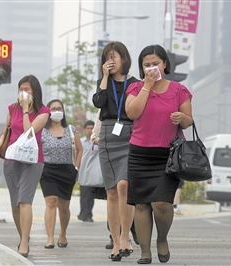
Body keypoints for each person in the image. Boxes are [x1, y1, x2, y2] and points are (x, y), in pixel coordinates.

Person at [125, 44, 193, 264]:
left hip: (168, 155)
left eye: (155, 63)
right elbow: (132, 113)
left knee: (161, 204)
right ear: (141, 67)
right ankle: (145, 252)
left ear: (165, 64)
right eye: (147, 64)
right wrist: (147, 85)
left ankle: (162, 239)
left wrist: (181, 119)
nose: (152, 67)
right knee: (142, 204)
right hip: (140, 154)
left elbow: (189, 120)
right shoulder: (135, 88)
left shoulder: (179, 90)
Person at [0, 75, 50, 258]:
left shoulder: (43, 111)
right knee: (15, 202)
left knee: (25, 200)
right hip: (12, 158)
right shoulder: (11, 108)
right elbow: (6, 131)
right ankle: (24, 236)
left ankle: (24, 243)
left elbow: (28, 132)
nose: (23, 93)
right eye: (21, 89)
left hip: (32, 160)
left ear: (35, 92)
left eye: (27, 89)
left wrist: (25, 110)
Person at [92, 41, 139, 261]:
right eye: (107, 57)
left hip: (130, 133)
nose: (111, 61)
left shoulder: (135, 84)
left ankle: (125, 237)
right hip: (108, 134)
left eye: (114, 56)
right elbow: (98, 102)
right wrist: (104, 77)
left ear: (124, 58)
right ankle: (115, 240)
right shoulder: (104, 83)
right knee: (111, 191)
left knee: (124, 185)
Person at [40, 99, 83, 250]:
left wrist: (76, 168)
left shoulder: (71, 130)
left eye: (59, 108)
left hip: (67, 170)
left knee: (64, 207)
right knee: (51, 202)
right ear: (48, 111)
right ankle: (50, 238)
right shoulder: (42, 131)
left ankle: (62, 233)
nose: (56, 111)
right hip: (48, 170)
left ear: (63, 111)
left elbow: (80, 150)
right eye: (53, 109)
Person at [77, 120, 96, 223]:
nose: (90, 130)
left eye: (92, 128)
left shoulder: (97, 142)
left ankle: (89, 214)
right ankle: (83, 214)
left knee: (91, 195)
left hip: (93, 172)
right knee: (84, 194)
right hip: (83, 172)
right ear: (84, 130)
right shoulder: (80, 142)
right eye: (88, 128)